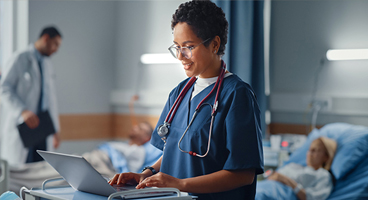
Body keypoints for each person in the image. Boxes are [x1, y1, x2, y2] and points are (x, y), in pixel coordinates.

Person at [108, 1, 264, 199]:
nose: (180, 56)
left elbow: (244, 174)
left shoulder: (237, 95)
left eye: (188, 47)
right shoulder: (179, 93)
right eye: (177, 47)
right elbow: (176, 151)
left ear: (214, 44)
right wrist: (146, 174)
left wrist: (180, 184)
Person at [9, 122, 162, 193]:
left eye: (141, 128)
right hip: (92, 157)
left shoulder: (139, 151)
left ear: (147, 137)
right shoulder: (121, 144)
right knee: (47, 167)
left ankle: (11, 181)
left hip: (101, 164)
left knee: (58, 174)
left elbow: (127, 167)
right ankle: (11, 172)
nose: (135, 127)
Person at [0, 26, 62, 166]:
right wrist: (22, 111)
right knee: (21, 173)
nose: (56, 49)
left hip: (43, 129)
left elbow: (51, 100)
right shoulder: (20, 58)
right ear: (46, 38)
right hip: (23, 127)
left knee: (39, 172)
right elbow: (4, 88)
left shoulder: (47, 64)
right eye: (55, 44)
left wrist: (55, 131)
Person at [256, 137, 337, 200]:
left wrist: (286, 180)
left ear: (326, 157)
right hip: (267, 186)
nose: (310, 153)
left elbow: (310, 198)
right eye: (310, 150)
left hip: (281, 194)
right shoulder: (295, 166)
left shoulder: (323, 175)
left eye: (316, 150)